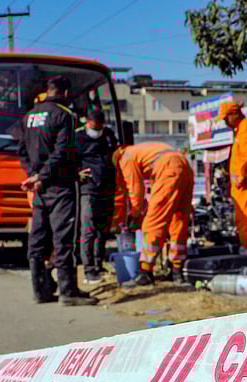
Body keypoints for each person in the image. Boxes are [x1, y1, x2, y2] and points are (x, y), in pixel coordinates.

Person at [19, 75, 96, 306]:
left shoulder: (29, 117)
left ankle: (39, 291)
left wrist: (33, 176)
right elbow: (62, 152)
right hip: (59, 187)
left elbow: (21, 151)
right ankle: (67, 293)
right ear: (64, 93)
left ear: (47, 91)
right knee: (63, 239)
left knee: (37, 238)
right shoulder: (64, 115)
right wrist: (42, 176)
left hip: (39, 189)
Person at [113, 143, 194, 287]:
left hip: (168, 170)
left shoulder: (125, 158)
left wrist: (135, 214)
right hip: (184, 166)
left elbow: (135, 189)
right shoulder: (142, 150)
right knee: (179, 221)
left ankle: (145, 272)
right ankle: (177, 271)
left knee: (153, 222)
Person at [217, 102, 247, 254]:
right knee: (244, 218)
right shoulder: (241, 130)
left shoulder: (245, 129)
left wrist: (241, 176)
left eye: (226, 118)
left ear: (235, 115)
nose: (225, 122)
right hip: (244, 185)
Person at [76, 110, 118, 284]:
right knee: (88, 229)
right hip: (88, 189)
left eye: (100, 127)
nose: (97, 130)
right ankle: (88, 270)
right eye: (94, 127)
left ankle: (98, 264)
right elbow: (66, 159)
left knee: (103, 230)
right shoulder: (77, 138)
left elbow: (116, 154)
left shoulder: (108, 135)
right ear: (87, 123)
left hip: (107, 188)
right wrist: (76, 173)